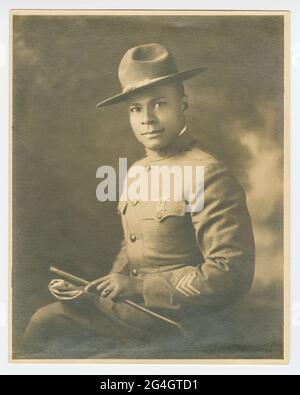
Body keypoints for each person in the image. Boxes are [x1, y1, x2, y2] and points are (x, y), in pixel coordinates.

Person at [21, 43, 255, 359]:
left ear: (183, 102)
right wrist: (92, 290)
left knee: (60, 338)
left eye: (159, 104)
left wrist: (139, 288)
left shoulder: (207, 174)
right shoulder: (135, 172)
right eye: (135, 108)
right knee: (46, 321)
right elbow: (132, 247)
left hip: (182, 321)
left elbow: (229, 274)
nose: (147, 118)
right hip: (133, 312)